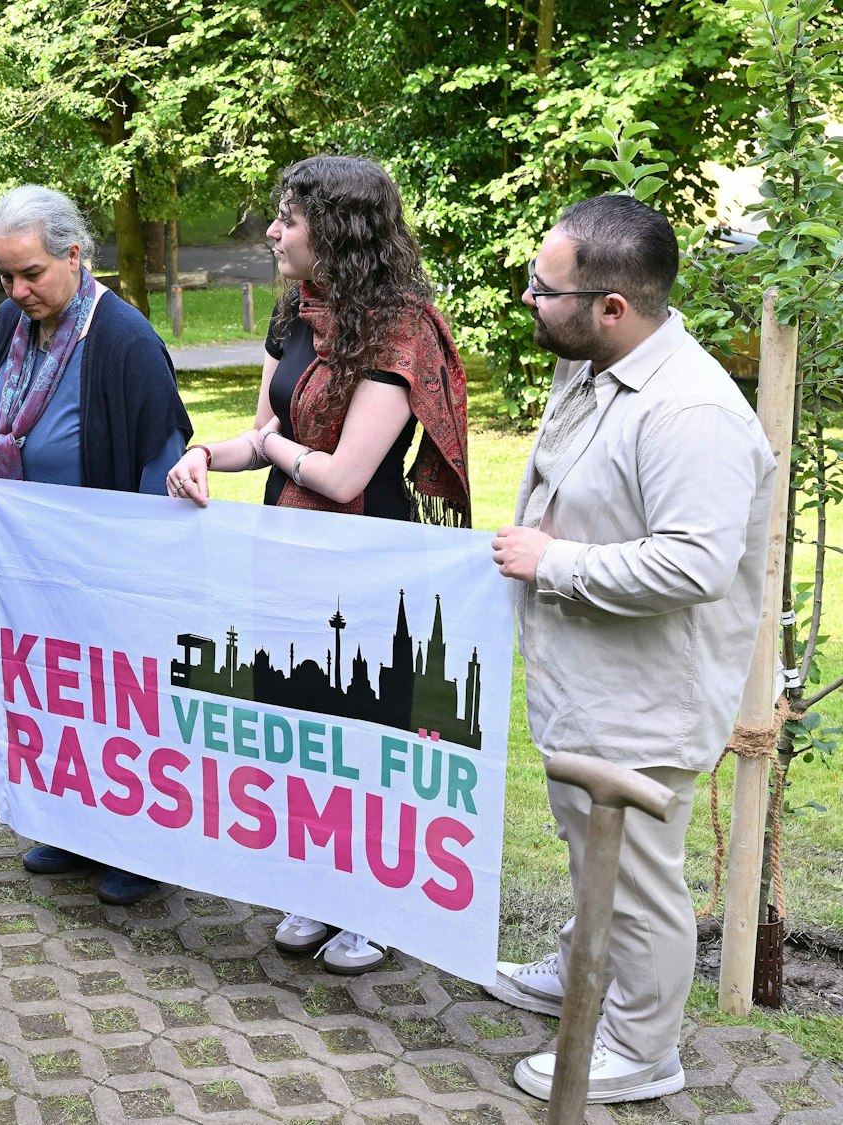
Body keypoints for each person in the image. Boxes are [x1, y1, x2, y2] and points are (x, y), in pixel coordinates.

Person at [485, 195, 772, 1105]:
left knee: (640, 878)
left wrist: (553, 560)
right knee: (592, 848)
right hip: (591, 677)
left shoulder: (691, 410)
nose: (529, 298)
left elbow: (695, 563)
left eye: (545, 288)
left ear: (612, 306)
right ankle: (583, 967)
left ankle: (644, 1046)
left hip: (647, 696)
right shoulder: (592, 363)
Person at [167, 155, 471, 974]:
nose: (272, 231)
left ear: (337, 231)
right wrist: (203, 454)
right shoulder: (295, 311)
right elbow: (259, 432)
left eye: (289, 218)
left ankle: (377, 905)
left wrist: (270, 447)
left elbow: (342, 476)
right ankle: (322, 884)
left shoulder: (401, 330)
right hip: (286, 550)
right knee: (302, 729)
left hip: (364, 555)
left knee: (363, 733)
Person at [0, 184, 193, 906]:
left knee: (123, 706)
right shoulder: (12, 325)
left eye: (31, 274)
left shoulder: (125, 342)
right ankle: (74, 827)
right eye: (5, 276)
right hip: (33, 566)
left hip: (108, 566)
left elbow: (161, 464)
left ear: (74, 255)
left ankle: (139, 846)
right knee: (59, 699)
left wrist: (139, 573)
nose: (16, 291)